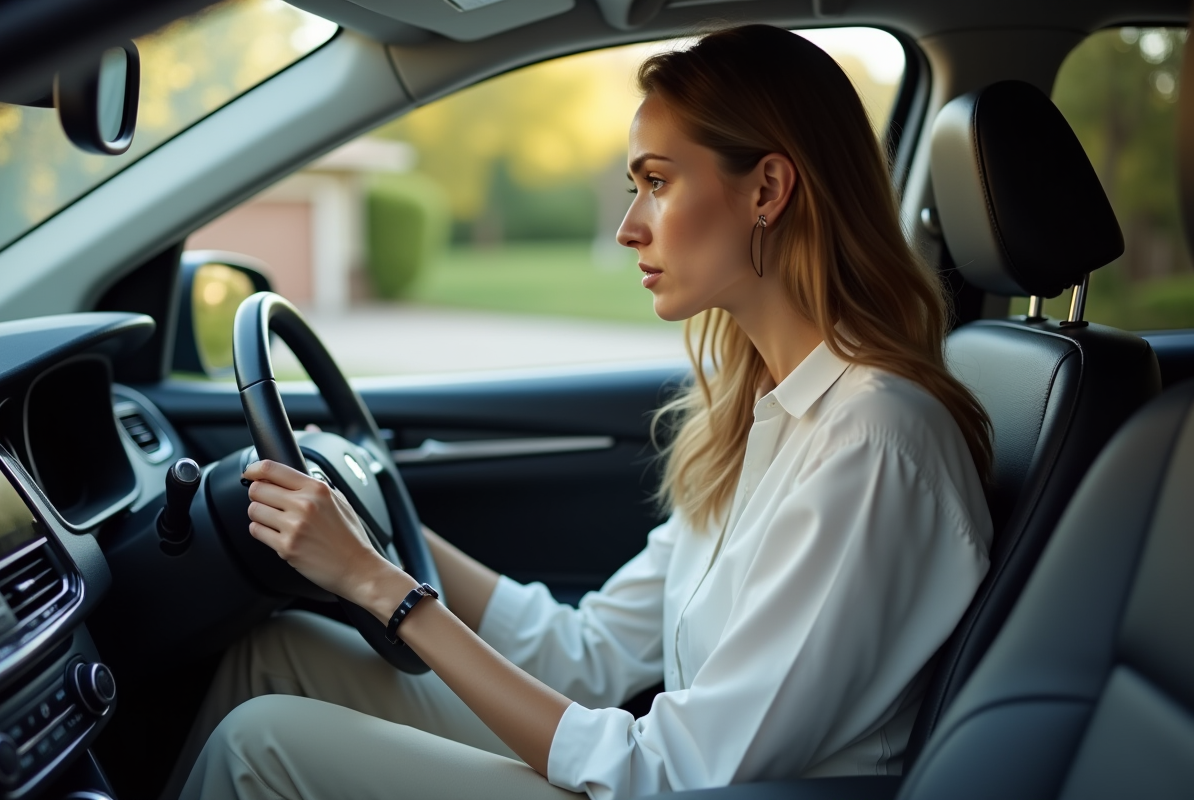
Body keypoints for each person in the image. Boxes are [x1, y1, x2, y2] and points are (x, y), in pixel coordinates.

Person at [172, 24, 993, 800]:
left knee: (262, 740)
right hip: (665, 777)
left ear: (768, 189)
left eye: (658, 183)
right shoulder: (761, 415)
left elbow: (674, 773)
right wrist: (377, 504)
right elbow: (587, 655)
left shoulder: (874, 440)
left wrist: (375, 582)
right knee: (278, 654)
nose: (630, 226)